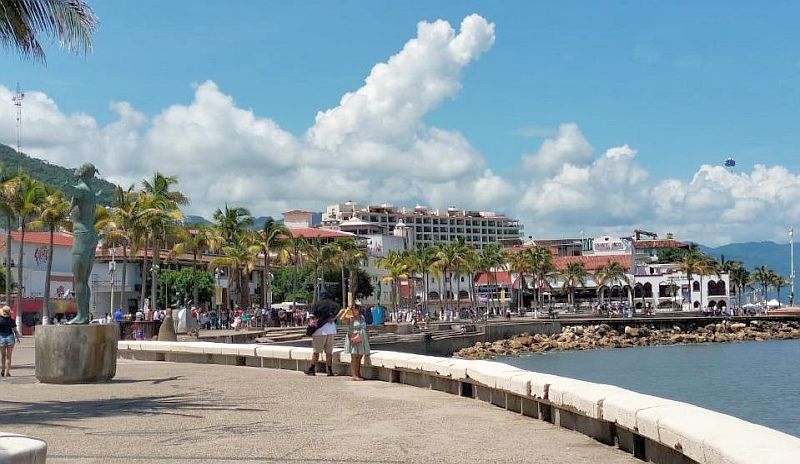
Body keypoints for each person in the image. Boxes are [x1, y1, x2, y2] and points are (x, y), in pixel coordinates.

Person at [305, 289, 339, 377]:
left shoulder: (316, 304)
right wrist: (333, 318)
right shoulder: (333, 304)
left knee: (316, 351)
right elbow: (341, 310)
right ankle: (329, 371)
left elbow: (311, 317)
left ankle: (312, 369)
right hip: (331, 329)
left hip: (319, 330)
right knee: (329, 352)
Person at [340, 305, 370, 381]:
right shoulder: (350, 318)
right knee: (354, 357)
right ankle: (354, 375)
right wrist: (347, 310)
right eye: (353, 310)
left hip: (362, 337)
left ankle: (358, 373)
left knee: (360, 356)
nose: (355, 311)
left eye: (356, 309)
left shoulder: (362, 317)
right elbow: (342, 320)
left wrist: (367, 336)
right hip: (354, 337)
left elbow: (365, 327)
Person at [0, 305, 22, 377]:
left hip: (1, 338)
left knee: (3, 355)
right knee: (9, 356)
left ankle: (2, 370)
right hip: (10, 337)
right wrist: (18, 338)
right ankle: (7, 372)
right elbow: (15, 331)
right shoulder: (12, 320)